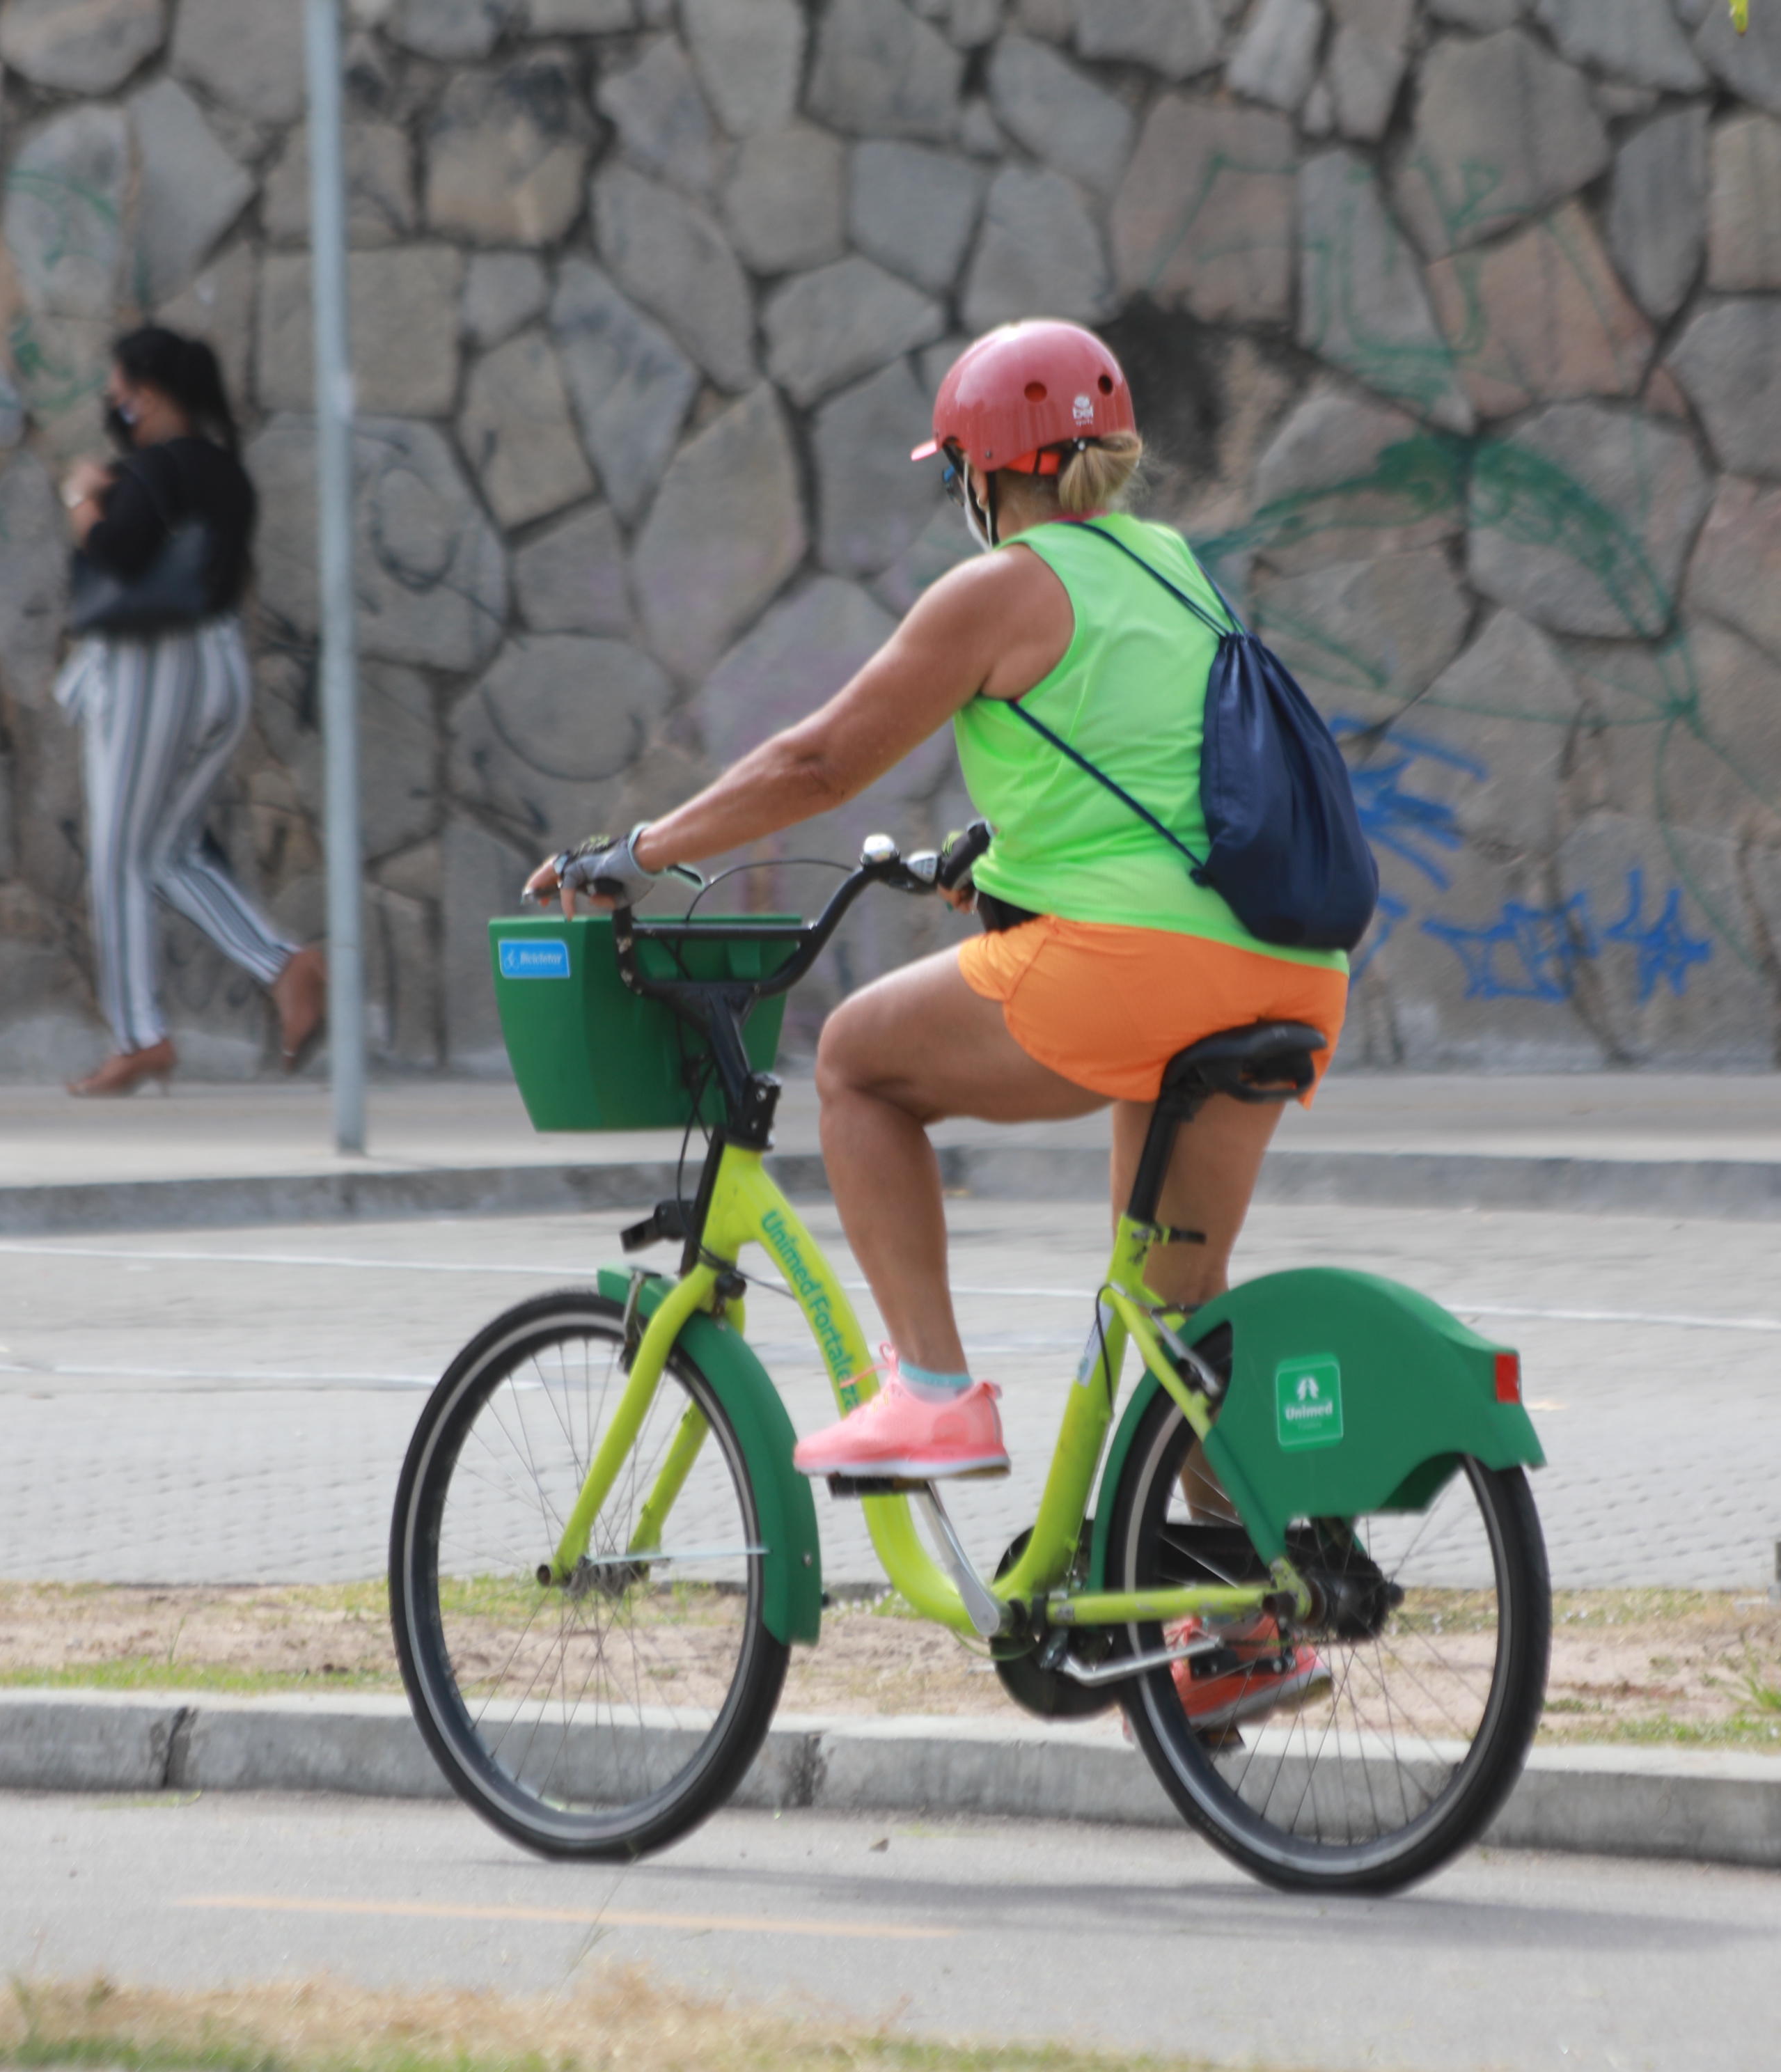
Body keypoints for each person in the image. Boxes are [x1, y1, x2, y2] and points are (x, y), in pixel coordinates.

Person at [528, 320, 1349, 1723]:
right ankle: (1244, 1613)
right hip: (1284, 968)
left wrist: (645, 850)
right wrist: (996, 853)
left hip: (1134, 971)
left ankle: (931, 1387)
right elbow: (1143, 771)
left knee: (854, 1061)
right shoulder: (1173, 570)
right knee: (1174, 1319)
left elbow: (820, 758)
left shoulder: (1002, 589)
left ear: (983, 474)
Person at [57, 327, 324, 1098]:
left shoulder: (151, 471)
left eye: (119, 387)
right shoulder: (226, 472)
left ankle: (140, 1038)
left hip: (152, 673)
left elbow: (116, 554)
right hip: (217, 666)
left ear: (144, 392)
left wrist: (84, 499)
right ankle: (285, 964)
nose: (114, 401)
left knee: (116, 859)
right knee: (166, 851)